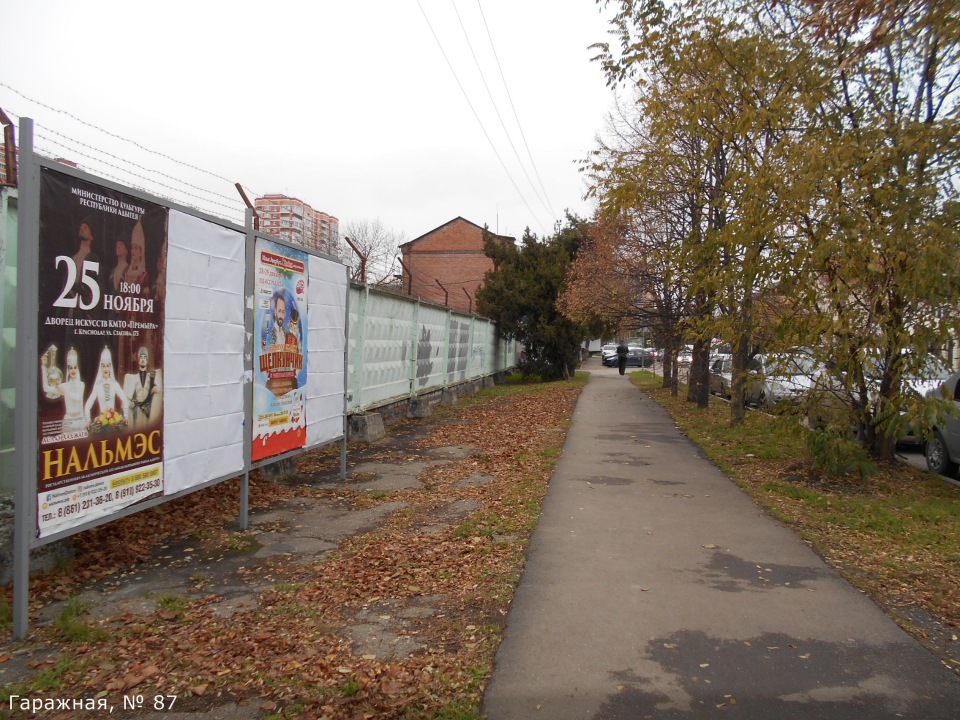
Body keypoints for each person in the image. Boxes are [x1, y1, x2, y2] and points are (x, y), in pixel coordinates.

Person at [41, 346, 87, 434]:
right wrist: (43, 367)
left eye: (75, 367)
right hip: (68, 421)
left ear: (77, 368)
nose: (73, 370)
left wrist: (65, 392)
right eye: (70, 368)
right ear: (68, 369)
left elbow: (78, 397)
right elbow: (46, 388)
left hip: (80, 421)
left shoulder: (81, 384)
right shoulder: (64, 385)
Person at [84, 347, 128, 424]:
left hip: (114, 423)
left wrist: (126, 415)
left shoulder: (114, 384)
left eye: (107, 366)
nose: (105, 369)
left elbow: (124, 398)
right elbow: (88, 404)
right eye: (103, 366)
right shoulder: (98, 385)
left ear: (110, 367)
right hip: (102, 423)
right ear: (101, 367)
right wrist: (87, 420)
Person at [123, 346, 162, 429]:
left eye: (144, 357)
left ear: (147, 360)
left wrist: (157, 390)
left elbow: (157, 390)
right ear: (138, 360)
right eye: (141, 357)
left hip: (148, 412)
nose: (143, 359)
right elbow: (131, 395)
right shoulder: (134, 378)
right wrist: (133, 402)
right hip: (138, 412)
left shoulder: (151, 377)